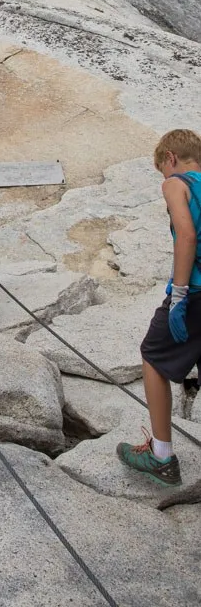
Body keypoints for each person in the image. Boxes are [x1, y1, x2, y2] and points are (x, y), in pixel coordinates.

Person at [117, 130, 201, 488]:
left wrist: (179, 296)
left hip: (194, 291)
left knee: (152, 356)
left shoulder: (176, 184)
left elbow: (186, 235)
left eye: (163, 170)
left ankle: (162, 455)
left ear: (170, 157)